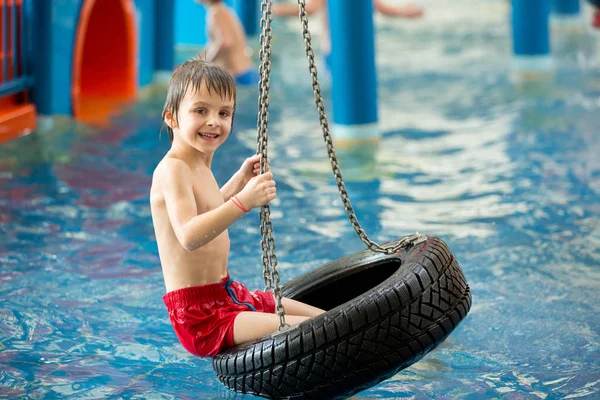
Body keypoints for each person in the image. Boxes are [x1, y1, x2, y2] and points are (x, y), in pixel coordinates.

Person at [151, 57, 325, 357]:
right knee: (319, 332)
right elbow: (189, 235)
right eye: (200, 111)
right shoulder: (173, 169)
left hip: (228, 294)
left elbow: (207, 209)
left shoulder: (198, 163)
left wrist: (239, 181)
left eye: (224, 112)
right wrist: (244, 200)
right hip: (200, 317)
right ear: (171, 118)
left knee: (329, 319)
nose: (213, 121)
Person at [273, 0, 424, 69]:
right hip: (337, 51)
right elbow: (311, 9)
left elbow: (379, 7)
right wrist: (274, 10)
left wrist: (404, 12)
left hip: (358, 52)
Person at [196, 0, 260, 86]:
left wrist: (204, 65)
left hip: (240, 75)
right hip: (245, 73)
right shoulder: (222, 10)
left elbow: (225, 42)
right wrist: (195, 64)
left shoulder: (217, 13)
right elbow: (213, 45)